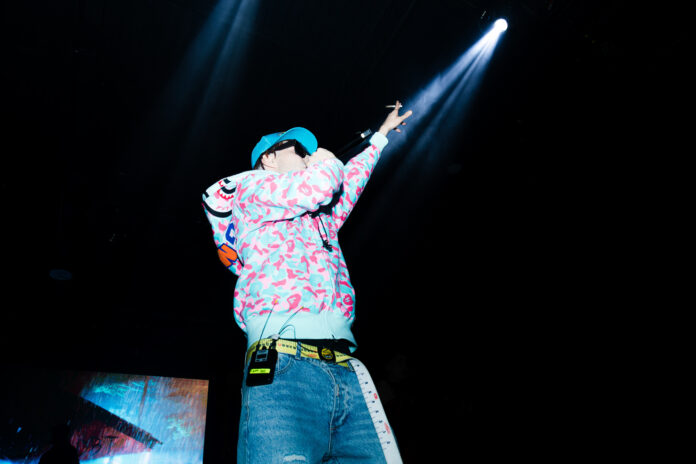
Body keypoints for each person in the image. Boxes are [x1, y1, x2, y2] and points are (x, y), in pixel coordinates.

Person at [202, 102, 412, 463]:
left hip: (343, 366)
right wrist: (326, 161)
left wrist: (379, 138)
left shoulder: (318, 216)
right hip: (284, 366)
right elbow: (322, 184)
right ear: (268, 159)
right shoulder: (251, 190)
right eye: (298, 149)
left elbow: (348, 182)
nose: (306, 155)